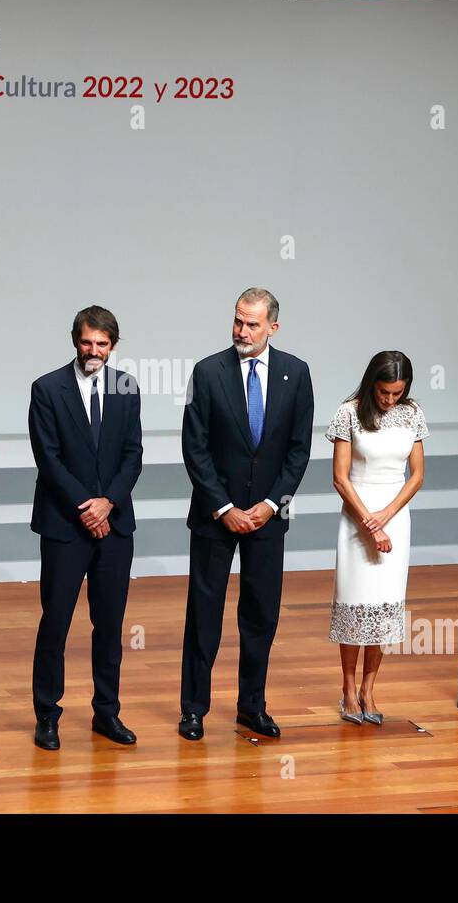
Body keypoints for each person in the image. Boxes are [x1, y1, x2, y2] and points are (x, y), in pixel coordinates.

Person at [178, 288, 315, 741]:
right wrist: (225, 508)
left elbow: (298, 449)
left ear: (272, 327)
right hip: (216, 517)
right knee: (205, 614)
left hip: (267, 518)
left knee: (260, 615)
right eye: (238, 320)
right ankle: (194, 709)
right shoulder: (207, 372)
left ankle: (251, 707)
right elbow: (194, 448)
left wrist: (271, 505)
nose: (241, 330)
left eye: (252, 324)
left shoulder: (296, 373)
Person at [28, 306, 143, 749]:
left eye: (103, 344)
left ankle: (106, 713)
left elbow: (133, 454)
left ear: (113, 345)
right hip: (65, 525)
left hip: (114, 524)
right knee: (56, 621)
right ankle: (47, 715)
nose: (94, 351)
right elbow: (48, 459)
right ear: (74, 340)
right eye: (86, 342)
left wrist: (107, 503)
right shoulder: (47, 389)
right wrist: (85, 507)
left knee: (110, 625)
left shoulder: (126, 388)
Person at [326, 351, 428, 726]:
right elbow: (340, 477)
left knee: (385, 605)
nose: (389, 400)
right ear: (372, 384)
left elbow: (416, 475)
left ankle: (370, 688)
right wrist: (370, 521)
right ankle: (348, 689)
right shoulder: (348, 412)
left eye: (397, 393)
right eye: (384, 392)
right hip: (357, 518)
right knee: (355, 602)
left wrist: (387, 516)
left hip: (396, 518)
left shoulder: (413, 413)